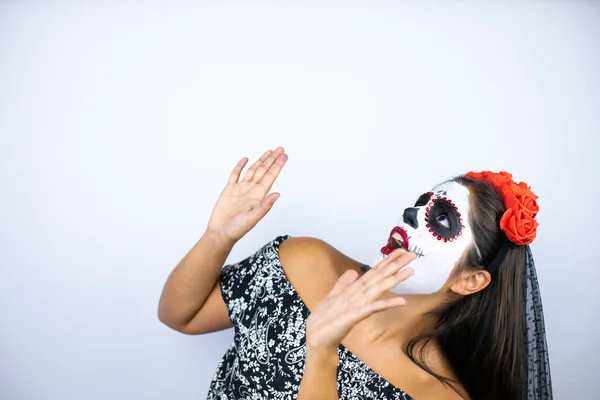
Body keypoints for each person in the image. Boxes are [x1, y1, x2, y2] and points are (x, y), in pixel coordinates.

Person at [158, 147, 552, 400]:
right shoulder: (304, 261)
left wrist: (322, 352)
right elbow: (181, 316)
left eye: (443, 219)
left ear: (471, 280)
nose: (413, 214)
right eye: (421, 202)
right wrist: (216, 238)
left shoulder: (435, 395)